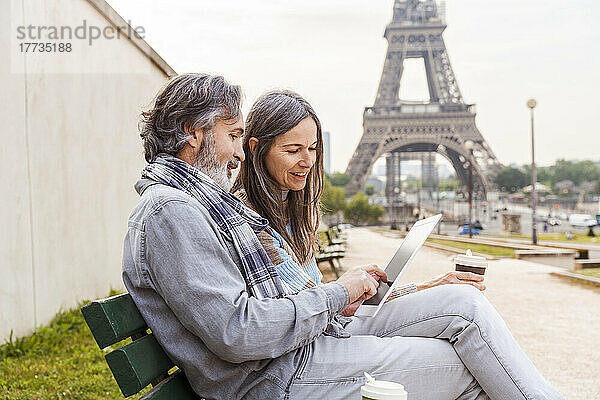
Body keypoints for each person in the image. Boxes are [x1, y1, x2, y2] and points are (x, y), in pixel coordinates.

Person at [122, 73, 564, 400]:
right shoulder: (172, 210)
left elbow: (274, 307)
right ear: (191, 132)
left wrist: (350, 294)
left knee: (465, 306)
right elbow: (239, 334)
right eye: (233, 135)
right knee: (468, 369)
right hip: (277, 377)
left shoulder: (199, 203)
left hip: (299, 352)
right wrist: (337, 294)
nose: (239, 151)